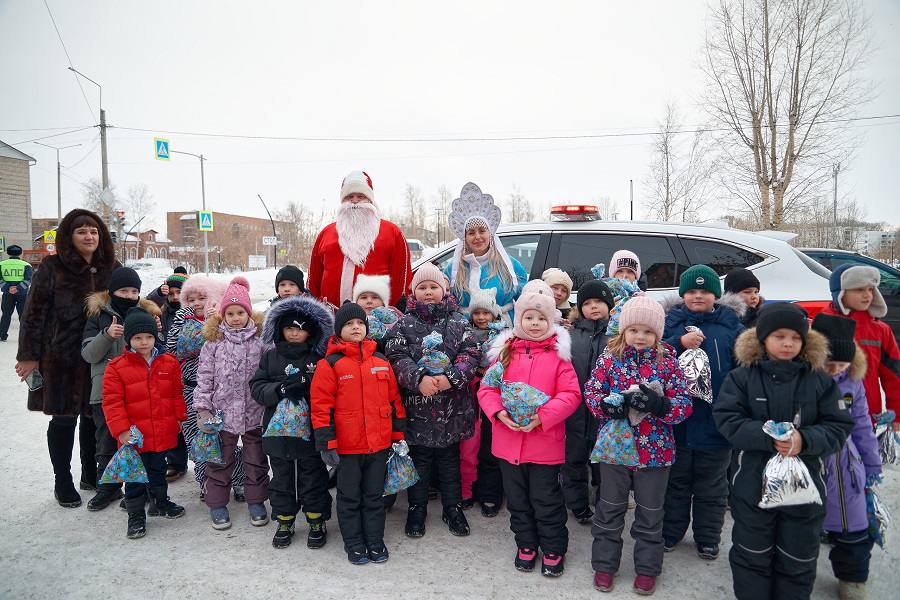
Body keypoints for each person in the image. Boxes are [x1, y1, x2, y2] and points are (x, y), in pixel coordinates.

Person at [714, 303, 852, 600]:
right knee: (752, 552)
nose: (788, 343)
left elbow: (838, 425)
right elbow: (727, 418)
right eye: (779, 336)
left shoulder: (819, 381)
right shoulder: (742, 378)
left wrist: (806, 439)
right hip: (752, 484)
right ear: (763, 338)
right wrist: (766, 436)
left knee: (798, 556)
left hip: (805, 490)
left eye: (795, 337)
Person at [585, 296, 692, 595]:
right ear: (623, 330)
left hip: (655, 451)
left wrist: (660, 404)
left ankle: (647, 568)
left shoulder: (668, 362)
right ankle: (605, 564)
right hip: (615, 450)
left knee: (650, 511)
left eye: (648, 331)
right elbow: (592, 390)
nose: (640, 337)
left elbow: (684, 406)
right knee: (610, 507)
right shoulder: (610, 357)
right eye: (634, 330)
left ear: (658, 333)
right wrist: (607, 408)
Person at [15, 209, 119, 508]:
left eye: (94, 231)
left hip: (98, 355)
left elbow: (129, 300)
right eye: (81, 231)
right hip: (59, 357)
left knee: (93, 415)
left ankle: (91, 473)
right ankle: (63, 481)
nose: (89, 237)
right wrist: (29, 356)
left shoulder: (111, 267)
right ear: (69, 237)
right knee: (63, 418)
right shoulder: (52, 267)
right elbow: (33, 314)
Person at [478, 283, 581, 577]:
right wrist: (498, 412)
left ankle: (553, 548)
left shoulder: (559, 357)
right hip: (508, 442)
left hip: (544, 444)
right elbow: (488, 389)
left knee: (546, 499)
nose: (534, 324)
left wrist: (543, 416)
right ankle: (526, 544)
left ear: (550, 322)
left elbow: (571, 394)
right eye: (528, 318)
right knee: (518, 501)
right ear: (519, 319)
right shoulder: (505, 353)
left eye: (541, 319)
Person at [385, 262, 481, 539]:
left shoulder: (458, 321)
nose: (428, 292)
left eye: (433, 287)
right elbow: (396, 356)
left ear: (444, 289)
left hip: (452, 408)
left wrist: (452, 377)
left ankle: (453, 508)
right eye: (422, 288)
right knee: (420, 461)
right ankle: (417, 508)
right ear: (414, 293)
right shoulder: (403, 324)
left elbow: (471, 352)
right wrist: (418, 378)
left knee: (450, 461)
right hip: (418, 410)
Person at [311, 302, 406, 565]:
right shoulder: (330, 364)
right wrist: (327, 443)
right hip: (347, 447)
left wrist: (398, 437)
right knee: (349, 497)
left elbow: (394, 401)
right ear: (339, 330)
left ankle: (375, 540)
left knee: (374, 497)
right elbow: (321, 407)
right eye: (350, 324)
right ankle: (354, 543)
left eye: (360, 323)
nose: (356, 327)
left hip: (378, 445)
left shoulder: (381, 361)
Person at [661, 265, 745, 560]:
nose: (698, 296)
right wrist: (677, 343)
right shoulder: (671, 323)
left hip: (716, 424)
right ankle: (671, 532)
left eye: (705, 291)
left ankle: (708, 537)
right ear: (683, 295)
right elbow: (654, 358)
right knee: (677, 483)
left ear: (716, 295)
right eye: (692, 291)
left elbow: (743, 369)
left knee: (712, 487)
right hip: (679, 424)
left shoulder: (731, 326)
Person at [251, 294, 334, 549]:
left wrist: (307, 387)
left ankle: (316, 519)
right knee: (282, 478)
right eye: (289, 328)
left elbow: (328, 392)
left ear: (310, 332)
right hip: (278, 435)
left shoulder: (317, 359)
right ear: (280, 329)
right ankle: (285, 520)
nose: (294, 333)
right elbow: (257, 387)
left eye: (300, 329)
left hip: (309, 433)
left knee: (313, 477)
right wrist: (280, 390)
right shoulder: (270, 357)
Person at [812, 313, 883, 600]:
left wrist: (872, 463)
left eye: (841, 364)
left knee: (853, 523)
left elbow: (862, 423)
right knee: (807, 522)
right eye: (829, 364)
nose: (835, 370)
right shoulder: (805, 378)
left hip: (846, 466)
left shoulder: (852, 382)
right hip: (811, 462)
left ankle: (852, 577)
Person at [81, 266, 161, 511]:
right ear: (112, 291)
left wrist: (157, 331)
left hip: (140, 394)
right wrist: (106, 335)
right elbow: (88, 354)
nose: (128, 295)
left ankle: (141, 489)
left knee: (142, 442)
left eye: (134, 290)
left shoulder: (146, 313)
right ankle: (108, 488)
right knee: (106, 443)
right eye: (123, 290)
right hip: (106, 394)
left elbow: (159, 352)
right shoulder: (98, 315)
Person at [102, 307, 187, 539]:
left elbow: (176, 394)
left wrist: (179, 418)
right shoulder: (117, 367)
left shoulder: (168, 362)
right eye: (138, 338)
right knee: (135, 477)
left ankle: (160, 502)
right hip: (133, 436)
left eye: (148, 337)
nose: (144, 342)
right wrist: (121, 431)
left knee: (158, 469)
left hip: (161, 431)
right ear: (129, 339)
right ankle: (136, 515)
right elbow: (112, 402)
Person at [193, 277, 269, 530]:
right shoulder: (214, 344)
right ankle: (217, 503)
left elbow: (267, 374)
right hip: (221, 413)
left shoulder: (261, 343)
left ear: (249, 314)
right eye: (230, 313)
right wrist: (203, 409)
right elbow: (204, 377)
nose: (236, 318)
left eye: (240, 313)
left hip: (253, 413)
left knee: (255, 460)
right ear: (223, 315)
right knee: (219, 460)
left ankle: (256, 500)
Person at [166, 275, 246, 498]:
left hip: (221, 392)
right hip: (191, 391)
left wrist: (215, 324)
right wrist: (201, 332)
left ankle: (238, 480)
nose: (196, 303)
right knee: (198, 440)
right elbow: (172, 349)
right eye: (190, 299)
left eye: (202, 297)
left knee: (226, 440)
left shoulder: (226, 318)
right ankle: (206, 482)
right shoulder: (181, 318)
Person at [308, 171, 412, 307]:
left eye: (361, 196)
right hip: (330, 319)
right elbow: (313, 281)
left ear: (370, 200)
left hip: (378, 321)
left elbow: (401, 280)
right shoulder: (326, 233)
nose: (355, 201)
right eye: (349, 196)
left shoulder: (392, 232)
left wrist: (390, 315)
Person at [564, 278, 616, 524]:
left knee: (602, 464)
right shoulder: (571, 337)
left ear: (609, 305)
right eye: (588, 303)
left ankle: (605, 503)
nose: (594, 307)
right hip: (574, 413)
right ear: (580, 308)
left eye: (599, 302)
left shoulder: (616, 337)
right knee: (573, 461)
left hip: (604, 415)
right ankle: (577, 505)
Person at [821, 264, 900, 425]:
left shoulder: (880, 330)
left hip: (867, 415)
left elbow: (894, 375)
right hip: (828, 417)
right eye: (859, 289)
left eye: (871, 289)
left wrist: (897, 413)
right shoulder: (823, 324)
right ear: (840, 292)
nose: (867, 295)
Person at [445, 182, 528, 324]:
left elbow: (527, 300)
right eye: (471, 233)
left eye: (482, 231)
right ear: (464, 238)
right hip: (464, 333)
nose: (477, 237)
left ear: (490, 234)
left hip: (503, 331)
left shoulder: (511, 265)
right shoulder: (453, 268)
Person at [459, 288, 505, 515]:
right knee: (468, 448)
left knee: (491, 449)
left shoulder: (503, 336)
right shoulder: (465, 334)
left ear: (494, 314)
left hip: (494, 396)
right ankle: (466, 489)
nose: (481, 317)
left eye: (486, 313)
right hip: (470, 396)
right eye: (476, 312)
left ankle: (490, 493)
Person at [147, 269, 189, 343]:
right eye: (171, 293)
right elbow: (148, 303)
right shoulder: (161, 313)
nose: (175, 297)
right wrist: (159, 293)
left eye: (179, 292)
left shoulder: (196, 314)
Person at [0, 244, 31, 342]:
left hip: (7, 294)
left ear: (8, 253)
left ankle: (2, 336)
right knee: (23, 316)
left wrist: (8, 288)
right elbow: (28, 280)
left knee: (6, 315)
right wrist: (18, 288)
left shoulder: (1, 264)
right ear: (20, 253)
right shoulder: (26, 265)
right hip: (22, 294)